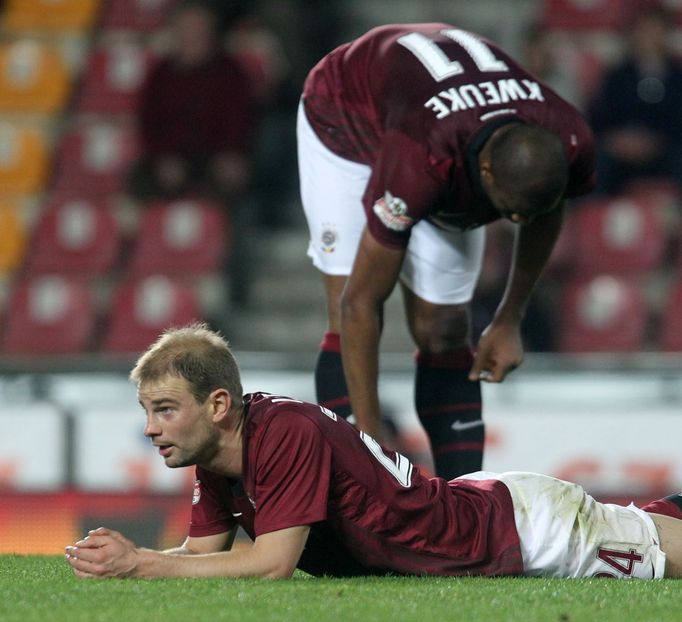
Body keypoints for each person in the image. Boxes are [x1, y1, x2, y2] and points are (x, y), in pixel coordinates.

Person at [65, 323, 682, 580]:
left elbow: (273, 564)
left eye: (164, 409)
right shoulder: (220, 453)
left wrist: (143, 564)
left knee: (660, 558)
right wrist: (125, 558)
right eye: (147, 411)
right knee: (653, 527)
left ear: (219, 404)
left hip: (524, 531)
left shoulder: (285, 433)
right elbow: (203, 555)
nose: (150, 428)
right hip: (488, 512)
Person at [296, 23, 596, 479]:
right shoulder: (423, 160)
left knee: (444, 328)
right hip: (344, 120)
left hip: (434, 121)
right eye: (507, 211)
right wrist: (373, 447)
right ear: (487, 175)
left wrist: (509, 317)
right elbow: (361, 304)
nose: (515, 222)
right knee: (345, 305)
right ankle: (356, 487)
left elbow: (544, 210)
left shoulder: (570, 136)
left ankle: (464, 503)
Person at [587, 3, 682, 195]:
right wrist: (616, 140)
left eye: (656, 30)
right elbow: (599, 117)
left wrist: (656, 141)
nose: (650, 37)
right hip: (620, 154)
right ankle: (594, 218)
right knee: (595, 163)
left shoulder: (677, 77)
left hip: (666, 151)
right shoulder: (617, 76)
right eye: (645, 30)